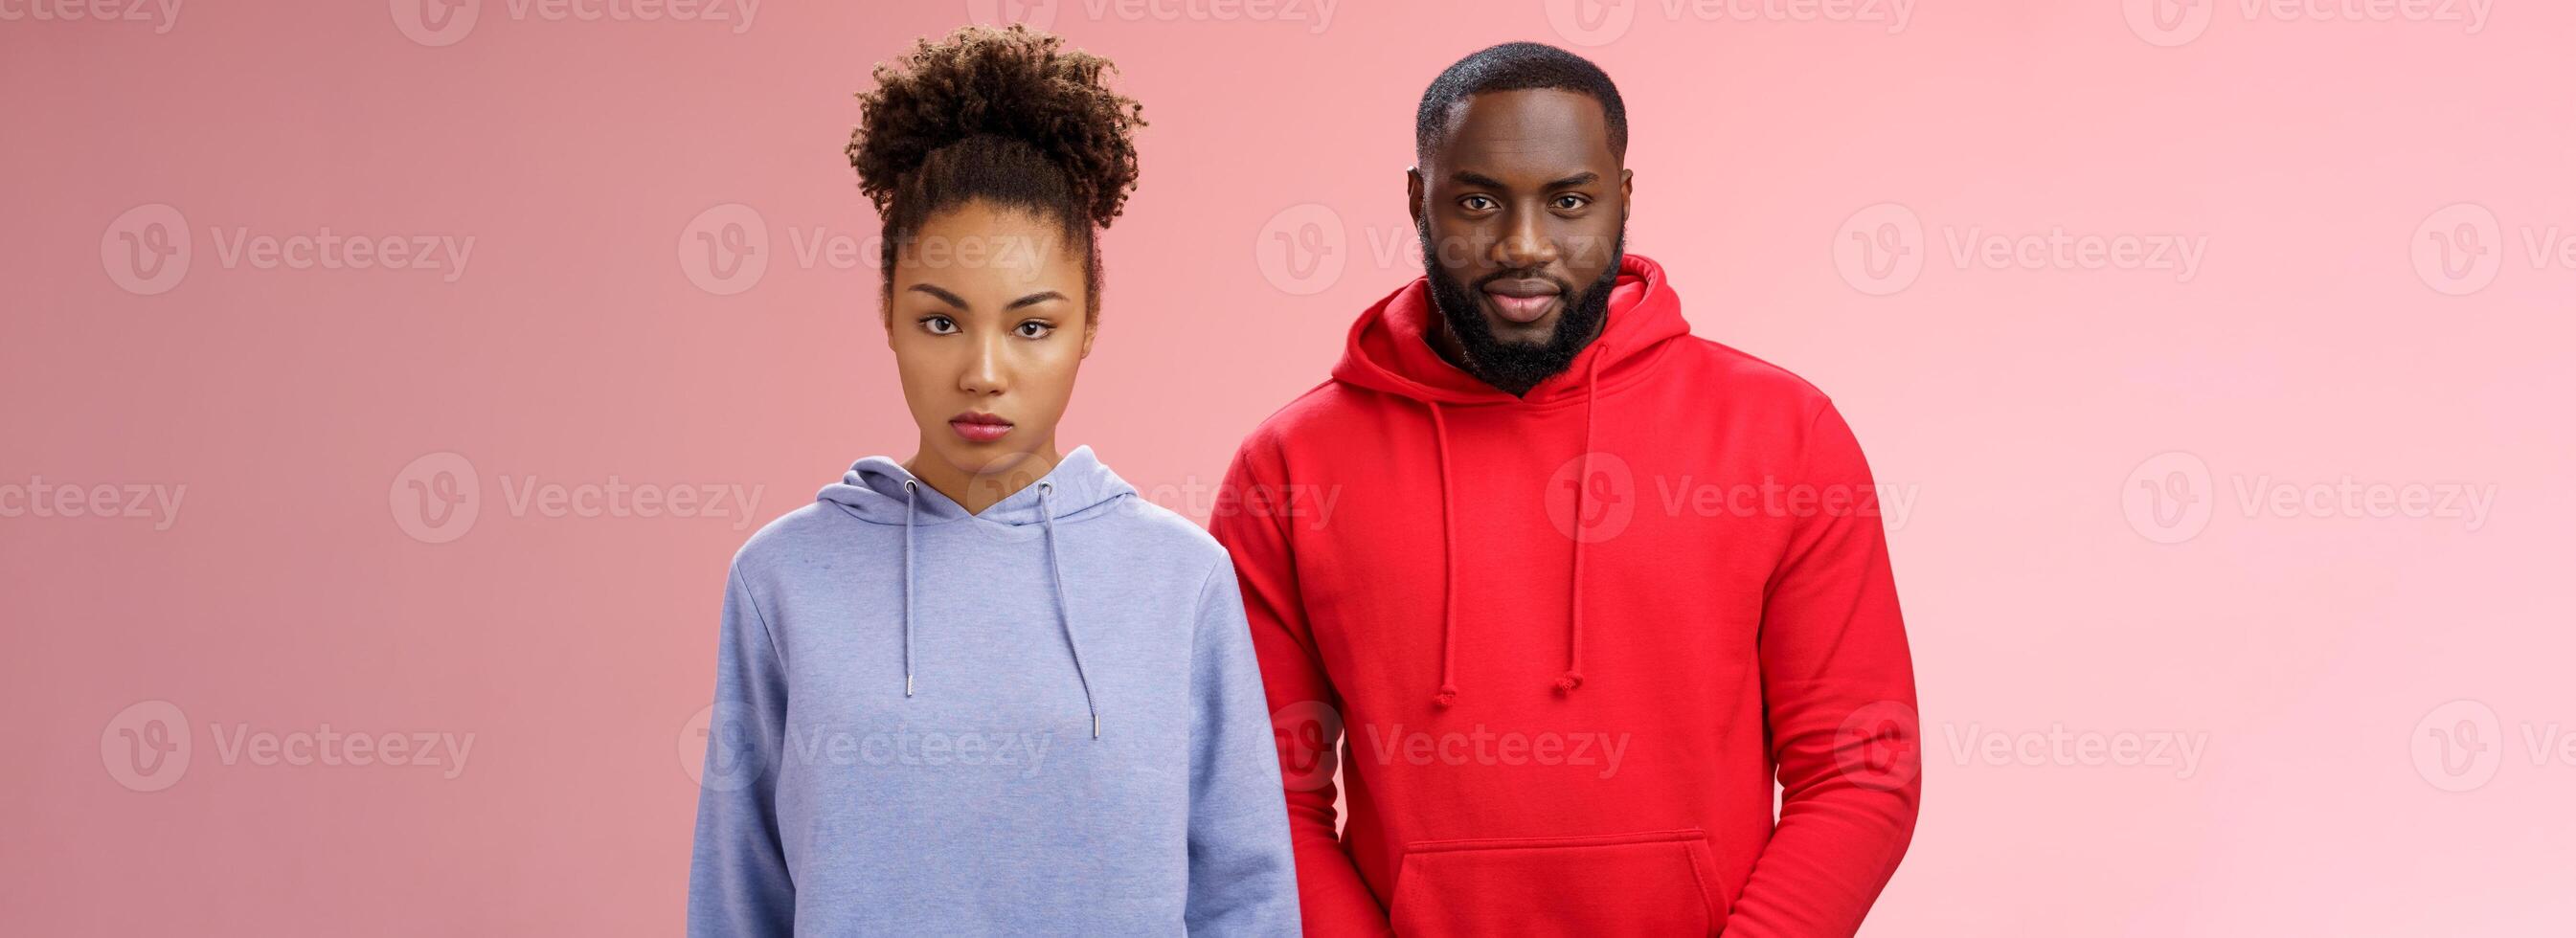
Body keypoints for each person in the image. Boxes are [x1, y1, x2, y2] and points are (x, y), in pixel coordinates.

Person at [1211, 41, 1920, 936]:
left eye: (1569, 202)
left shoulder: (1784, 434)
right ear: (1414, 200)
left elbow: (1862, 767)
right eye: (1477, 201)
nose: (1523, 246)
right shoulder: (1289, 468)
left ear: (1624, 199)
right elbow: (1263, 796)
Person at [689, 25, 1299, 935]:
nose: (982, 371)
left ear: (1089, 322)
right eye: (941, 324)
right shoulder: (781, 579)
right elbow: (740, 900)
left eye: (1032, 326)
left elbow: (1244, 900)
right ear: (887, 312)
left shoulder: (1183, 581)